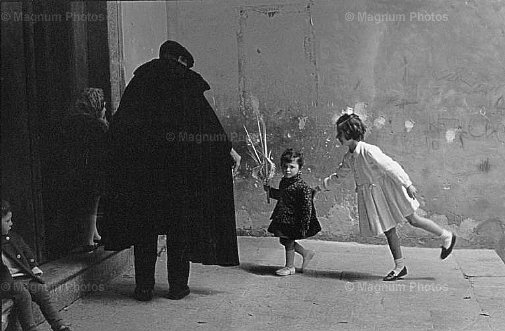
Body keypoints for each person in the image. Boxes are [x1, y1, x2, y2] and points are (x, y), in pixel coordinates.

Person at [101, 40, 241, 301]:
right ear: (180, 60)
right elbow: (209, 126)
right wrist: (228, 150)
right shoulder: (188, 84)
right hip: (180, 175)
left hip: (145, 174)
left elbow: (120, 128)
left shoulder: (140, 82)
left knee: (145, 230)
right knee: (179, 229)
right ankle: (177, 287)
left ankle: (144, 287)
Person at [320, 113, 457, 281]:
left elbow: (391, 166)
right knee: (389, 230)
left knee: (413, 219)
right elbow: (339, 176)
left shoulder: (369, 150)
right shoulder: (349, 157)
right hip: (375, 196)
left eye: (339, 134)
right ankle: (400, 266)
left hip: (389, 190)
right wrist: (321, 187)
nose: (337, 137)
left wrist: (407, 184)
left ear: (349, 133)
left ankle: (446, 236)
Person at [1, 200, 71, 331]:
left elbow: (27, 252)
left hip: (22, 277)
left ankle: (59, 325)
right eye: (7, 221)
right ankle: (30, 328)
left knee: (40, 290)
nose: (11, 223)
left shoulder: (13, 238)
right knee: (23, 295)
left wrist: (33, 267)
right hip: (5, 283)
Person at [60, 88, 109, 254]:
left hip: (74, 168)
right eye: (103, 106)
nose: (105, 109)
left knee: (85, 202)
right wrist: (102, 121)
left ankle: (94, 234)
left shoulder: (71, 121)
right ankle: (89, 240)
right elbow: (104, 145)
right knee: (92, 202)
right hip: (92, 169)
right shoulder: (95, 125)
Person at [263, 148, 321, 276]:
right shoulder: (284, 181)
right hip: (283, 217)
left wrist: (304, 225)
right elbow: (282, 195)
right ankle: (306, 253)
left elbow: (307, 207)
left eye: (292, 167)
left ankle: (290, 267)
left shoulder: (302, 186)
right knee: (283, 240)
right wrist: (270, 191)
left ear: (299, 168)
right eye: (285, 167)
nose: (287, 170)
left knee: (288, 241)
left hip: (295, 219)